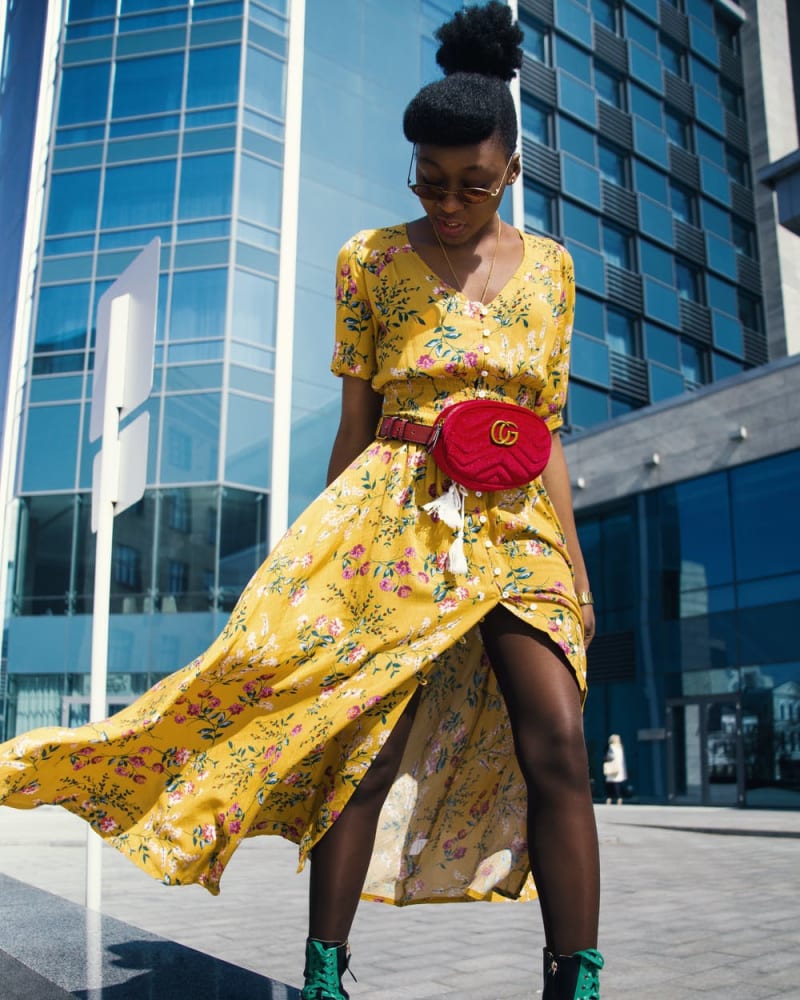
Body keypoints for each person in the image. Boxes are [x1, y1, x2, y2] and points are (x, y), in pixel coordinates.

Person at [0, 4, 603, 998]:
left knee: (559, 739)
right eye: (428, 182)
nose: (446, 204)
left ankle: (572, 977)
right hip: (394, 515)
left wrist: (574, 571)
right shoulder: (367, 261)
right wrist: (320, 554)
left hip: (517, 526)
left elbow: (543, 432)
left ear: (510, 173)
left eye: (472, 186)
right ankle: (325, 971)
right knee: (357, 742)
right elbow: (355, 419)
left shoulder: (554, 273)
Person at [604, 734, 627, 805]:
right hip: (619, 768)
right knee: (617, 784)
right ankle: (619, 798)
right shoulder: (620, 747)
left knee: (610, 784)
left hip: (612, 767)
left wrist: (605, 758)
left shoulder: (611, 747)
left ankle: (609, 799)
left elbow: (610, 756)